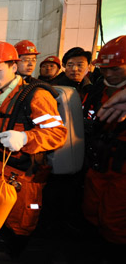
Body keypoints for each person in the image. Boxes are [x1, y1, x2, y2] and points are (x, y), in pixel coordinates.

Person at [0, 41, 67, 260]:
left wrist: (25, 137)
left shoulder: (36, 96)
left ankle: (10, 253)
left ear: (14, 66)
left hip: (25, 176)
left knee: (20, 223)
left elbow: (58, 134)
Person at [82, 35, 126, 263]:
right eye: (105, 69)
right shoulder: (100, 89)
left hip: (122, 172)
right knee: (92, 212)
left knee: (114, 222)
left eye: (115, 69)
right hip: (99, 163)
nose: (109, 74)